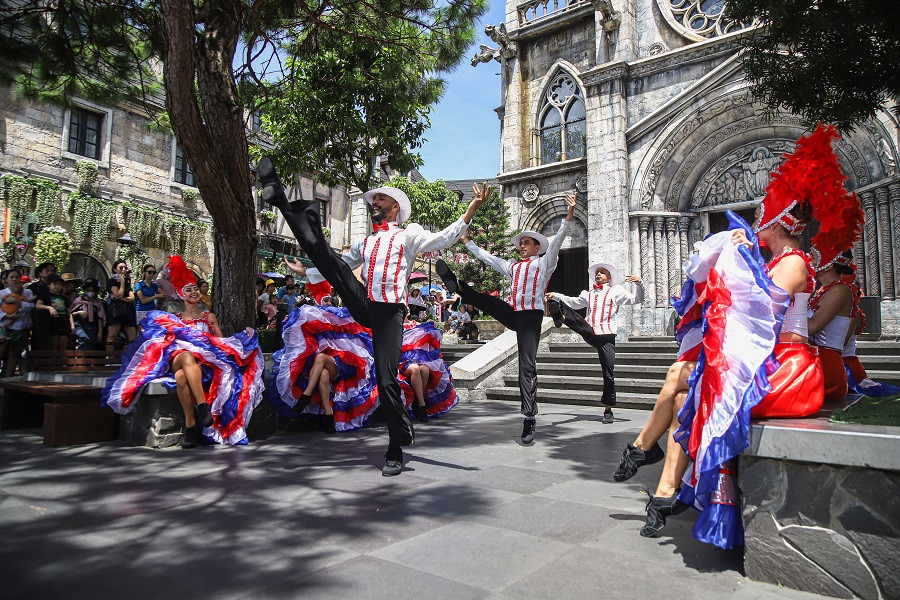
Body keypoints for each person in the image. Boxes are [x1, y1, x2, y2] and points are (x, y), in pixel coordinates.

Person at [625, 125, 860, 547]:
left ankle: (644, 449)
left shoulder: (793, 262)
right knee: (681, 396)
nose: (754, 222)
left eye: (759, 216)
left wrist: (737, 258)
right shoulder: (778, 260)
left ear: (778, 223)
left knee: (682, 376)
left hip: (790, 368)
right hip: (772, 362)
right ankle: (664, 491)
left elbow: (760, 310)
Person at [257, 157, 485, 476]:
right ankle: (280, 197)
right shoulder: (366, 242)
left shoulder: (408, 235)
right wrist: (307, 271)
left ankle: (395, 448)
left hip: (390, 312)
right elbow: (339, 267)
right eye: (373, 199)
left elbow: (443, 238)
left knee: (387, 378)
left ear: (395, 206)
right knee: (331, 259)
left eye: (380, 198)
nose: (374, 202)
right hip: (366, 303)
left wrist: (471, 208)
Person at [436, 191, 577, 445]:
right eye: (520, 243)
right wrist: (467, 242)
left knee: (527, 365)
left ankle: (529, 417)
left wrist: (569, 215)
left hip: (531, 317)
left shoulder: (544, 263)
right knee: (489, 301)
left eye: (526, 243)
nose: (522, 245)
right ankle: (458, 286)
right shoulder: (513, 266)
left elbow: (557, 241)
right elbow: (488, 258)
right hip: (515, 313)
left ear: (536, 247)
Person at [103, 256, 263, 447]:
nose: (194, 291)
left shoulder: (209, 317)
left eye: (195, 288)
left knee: (181, 377)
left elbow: (220, 343)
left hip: (201, 364)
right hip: (178, 359)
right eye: (189, 289)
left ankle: (190, 427)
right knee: (186, 356)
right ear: (181, 294)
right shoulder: (175, 318)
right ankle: (203, 406)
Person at [547, 262, 643, 423]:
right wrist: (555, 296)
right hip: (590, 330)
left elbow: (636, 299)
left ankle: (608, 409)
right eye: (597, 272)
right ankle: (562, 317)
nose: (598, 274)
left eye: (602, 272)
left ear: (609, 277)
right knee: (580, 321)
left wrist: (639, 284)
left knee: (608, 373)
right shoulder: (589, 293)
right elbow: (574, 302)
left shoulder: (616, 291)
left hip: (606, 336)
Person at [269, 303, 378, 434]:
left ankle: (306, 395)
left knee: (320, 357)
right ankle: (328, 415)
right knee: (323, 374)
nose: (327, 304)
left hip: (341, 366)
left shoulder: (349, 322)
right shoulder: (324, 322)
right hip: (325, 366)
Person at [399, 319, 458, 423]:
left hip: (418, 360)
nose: (407, 311)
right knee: (415, 369)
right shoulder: (398, 326)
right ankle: (422, 405)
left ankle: (418, 400)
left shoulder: (414, 324)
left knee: (425, 369)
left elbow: (428, 327)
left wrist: (431, 323)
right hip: (402, 362)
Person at [0, 269, 34, 376]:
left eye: (17, 277)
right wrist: (7, 315)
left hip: (20, 327)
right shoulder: (2, 293)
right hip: (4, 326)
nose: (14, 279)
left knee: (14, 354)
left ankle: (8, 378)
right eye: (11, 277)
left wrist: (17, 302)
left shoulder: (27, 292)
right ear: (6, 279)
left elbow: (30, 306)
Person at [35, 273, 73, 350]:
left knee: (63, 346)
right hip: (52, 323)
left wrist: (72, 325)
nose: (57, 286)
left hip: (64, 323)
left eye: (60, 284)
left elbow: (69, 311)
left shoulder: (63, 296)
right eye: (55, 284)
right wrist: (49, 308)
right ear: (49, 285)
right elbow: (38, 305)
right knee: (53, 346)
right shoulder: (45, 294)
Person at [106, 260, 137, 348]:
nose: (123, 269)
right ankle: (110, 356)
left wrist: (120, 298)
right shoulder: (112, 281)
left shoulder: (127, 282)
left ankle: (126, 355)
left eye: (125, 267)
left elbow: (131, 298)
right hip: (116, 311)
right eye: (121, 267)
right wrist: (122, 283)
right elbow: (118, 294)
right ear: (115, 269)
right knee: (112, 336)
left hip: (128, 310)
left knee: (132, 338)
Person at [26, 261, 56, 351]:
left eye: (52, 271)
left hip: (53, 321)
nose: (50, 272)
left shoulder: (56, 287)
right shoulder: (33, 287)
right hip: (37, 321)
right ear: (40, 273)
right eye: (47, 270)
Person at [70, 278, 106, 350]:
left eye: (92, 291)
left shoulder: (97, 302)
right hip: (81, 325)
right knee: (84, 342)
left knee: (92, 345)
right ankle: (81, 356)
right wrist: (78, 313)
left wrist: (100, 331)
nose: (90, 292)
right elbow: (71, 313)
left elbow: (100, 317)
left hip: (93, 327)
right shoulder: (78, 300)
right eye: (88, 290)